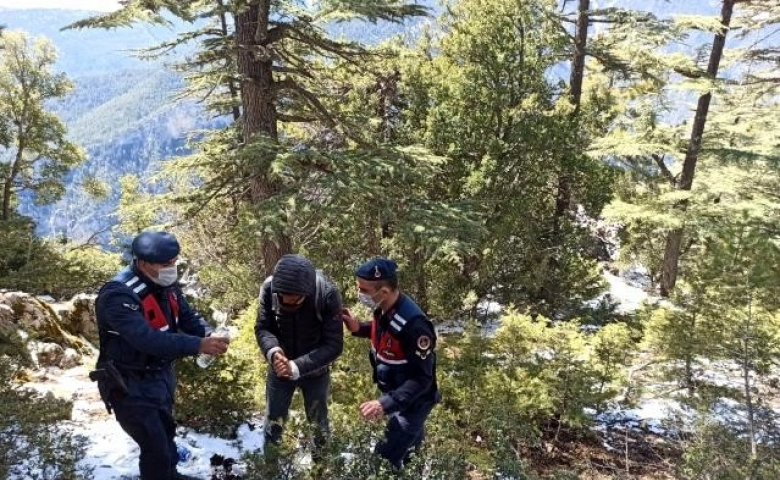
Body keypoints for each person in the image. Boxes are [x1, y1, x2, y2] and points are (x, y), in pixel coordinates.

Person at [93, 231, 230, 480]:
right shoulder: (118, 295)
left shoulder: (166, 285)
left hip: (160, 378)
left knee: (166, 437)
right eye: (166, 264)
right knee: (154, 447)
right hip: (128, 383)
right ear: (143, 263)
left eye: (175, 262)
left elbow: (187, 316)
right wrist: (199, 344)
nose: (172, 269)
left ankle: (171, 475)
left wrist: (210, 334)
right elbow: (147, 339)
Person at [341, 257, 440, 470]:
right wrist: (359, 328)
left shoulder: (415, 326)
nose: (360, 293)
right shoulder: (386, 307)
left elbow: (422, 378)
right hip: (397, 397)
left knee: (382, 460)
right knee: (410, 453)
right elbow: (386, 332)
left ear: (383, 291)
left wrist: (383, 404)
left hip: (412, 404)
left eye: (363, 289)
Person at [255, 254, 344, 452]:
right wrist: (273, 351)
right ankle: (269, 469)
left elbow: (334, 345)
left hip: (315, 372)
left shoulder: (327, 294)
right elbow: (263, 327)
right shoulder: (269, 289)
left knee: (318, 424)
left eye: (295, 300)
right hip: (279, 370)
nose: (288, 303)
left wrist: (296, 366)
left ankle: (321, 469)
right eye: (283, 299)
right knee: (273, 423)